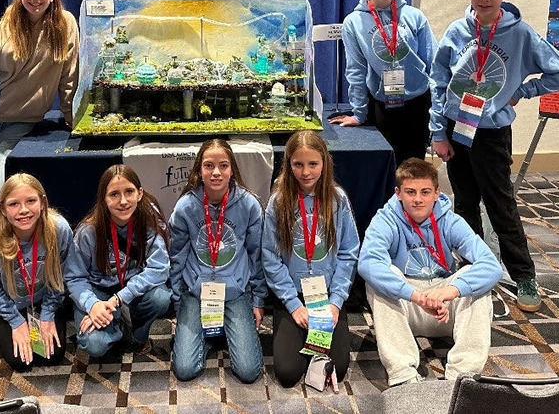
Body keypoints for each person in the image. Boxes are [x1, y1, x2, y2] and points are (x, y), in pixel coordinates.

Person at [430, 0, 559, 312]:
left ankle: (524, 274)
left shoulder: (520, 34)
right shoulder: (456, 31)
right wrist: (437, 132)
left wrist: (521, 92)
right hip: (455, 127)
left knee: (500, 204)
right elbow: (438, 81)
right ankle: (472, 266)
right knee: (463, 202)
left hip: (491, 131)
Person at [359, 158, 502, 385]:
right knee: (379, 280)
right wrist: (416, 296)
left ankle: (463, 376)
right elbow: (368, 263)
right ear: (398, 193)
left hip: (444, 305)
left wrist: (452, 291)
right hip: (407, 305)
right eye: (410, 192)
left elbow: (491, 265)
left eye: (425, 192)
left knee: (476, 283)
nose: (417, 199)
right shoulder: (385, 219)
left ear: (437, 193)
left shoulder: (451, 220)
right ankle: (403, 374)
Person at [262, 131, 359, 387]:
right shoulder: (279, 202)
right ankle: (300, 338)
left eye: (313, 164)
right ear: (289, 164)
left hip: (326, 295)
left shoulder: (337, 199)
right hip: (291, 294)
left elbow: (349, 253)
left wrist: (336, 303)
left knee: (337, 367)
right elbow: (271, 258)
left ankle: (317, 338)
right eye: (298, 164)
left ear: (324, 163)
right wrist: (294, 305)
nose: (306, 172)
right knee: (287, 373)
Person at [0, 0, 79, 204]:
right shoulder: (6, 25)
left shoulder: (65, 24)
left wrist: (71, 115)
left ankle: (0, 232)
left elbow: (69, 74)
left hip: (22, 119)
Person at [331, 0, 437, 166]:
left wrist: (438, 111)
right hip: (382, 105)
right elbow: (356, 70)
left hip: (417, 103)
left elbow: (433, 64)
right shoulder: (354, 22)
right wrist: (359, 113)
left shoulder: (414, 16)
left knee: (412, 169)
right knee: (384, 168)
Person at [169, 139, 267, 383]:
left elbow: (256, 255)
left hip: (235, 291)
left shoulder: (249, 205)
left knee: (248, 372)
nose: (216, 172)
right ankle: (212, 334)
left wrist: (258, 300)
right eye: (208, 166)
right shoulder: (186, 207)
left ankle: (218, 330)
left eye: (223, 165)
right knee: (185, 370)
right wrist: (178, 301)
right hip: (196, 291)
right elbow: (177, 256)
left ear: (232, 169)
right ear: (198, 171)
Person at [67, 164, 172, 357]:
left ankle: (137, 335)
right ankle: (119, 328)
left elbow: (160, 268)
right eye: (114, 194)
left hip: (131, 289)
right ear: (103, 199)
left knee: (161, 297)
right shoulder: (88, 231)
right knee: (94, 345)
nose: (123, 201)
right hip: (99, 290)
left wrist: (119, 298)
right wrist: (92, 304)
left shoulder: (149, 220)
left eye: (129, 192)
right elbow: (74, 278)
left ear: (140, 193)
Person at [0, 173, 73, 370]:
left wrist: (47, 313)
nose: (23, 210)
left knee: (51, 356)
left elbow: (65, 275)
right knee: (19, 361)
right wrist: (15, 321)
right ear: (2, 209)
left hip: (47, 298)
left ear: (42, 203)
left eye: (31, 201)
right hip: (11, 303)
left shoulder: (59, 230)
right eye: (13, 204)